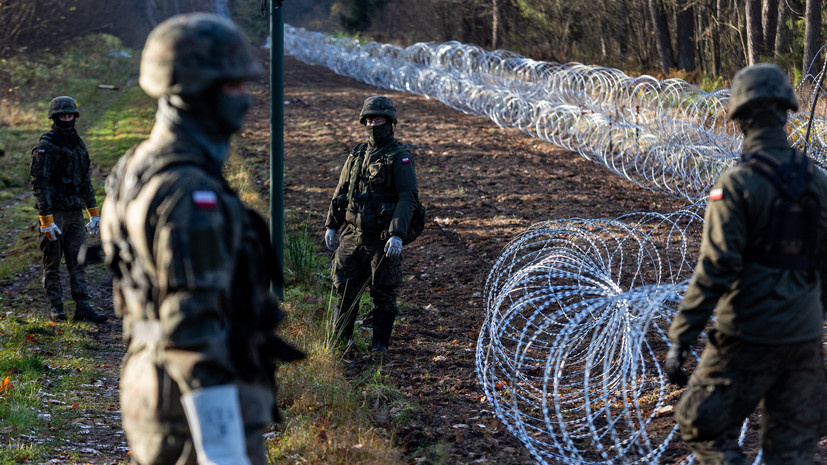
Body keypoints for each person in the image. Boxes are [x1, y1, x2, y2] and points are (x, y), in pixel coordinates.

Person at [100, 13, 302, 465]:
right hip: (195, 405)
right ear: (196, 90)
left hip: (154, 385)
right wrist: (223, 447)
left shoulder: (136, 166)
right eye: (232, 86)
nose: (246, 99)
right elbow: (193, 326)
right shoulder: (192, 193)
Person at [665, 63, 827, 464]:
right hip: (804, 336)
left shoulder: (735, 184)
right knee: (792, 450)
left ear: (739, 117)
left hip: (749, 332)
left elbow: (716, 267)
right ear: (786, 111)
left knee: (701, 424)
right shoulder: (818, 181)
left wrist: (682, 335)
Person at [324, 96, 420, 354]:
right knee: (344, 291)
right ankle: (340, 343)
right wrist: (332, 225)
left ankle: (380, 347)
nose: (372, 124)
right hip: (352, 236)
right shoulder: (356, 155)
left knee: (384, 293)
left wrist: (397, 234)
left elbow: (407, 198)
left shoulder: (400, 158)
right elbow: (341, 190)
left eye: (378, 119)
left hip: (381, 239)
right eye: (368, 119)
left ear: (390, 122)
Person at [30, 96, 106, 323]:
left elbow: (85, 181)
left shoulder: (78, 144)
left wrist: (94, 214)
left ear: (75, 116)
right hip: (54, 214)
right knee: (52, 262)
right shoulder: (46, 146)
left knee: (79, 262)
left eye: (70, 114)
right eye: (62, 115)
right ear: (54, 117)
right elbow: (39, 184)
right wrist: (46, 220)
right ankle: (56, 308)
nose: (66, 118)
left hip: (75, 212)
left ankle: (83, 307)